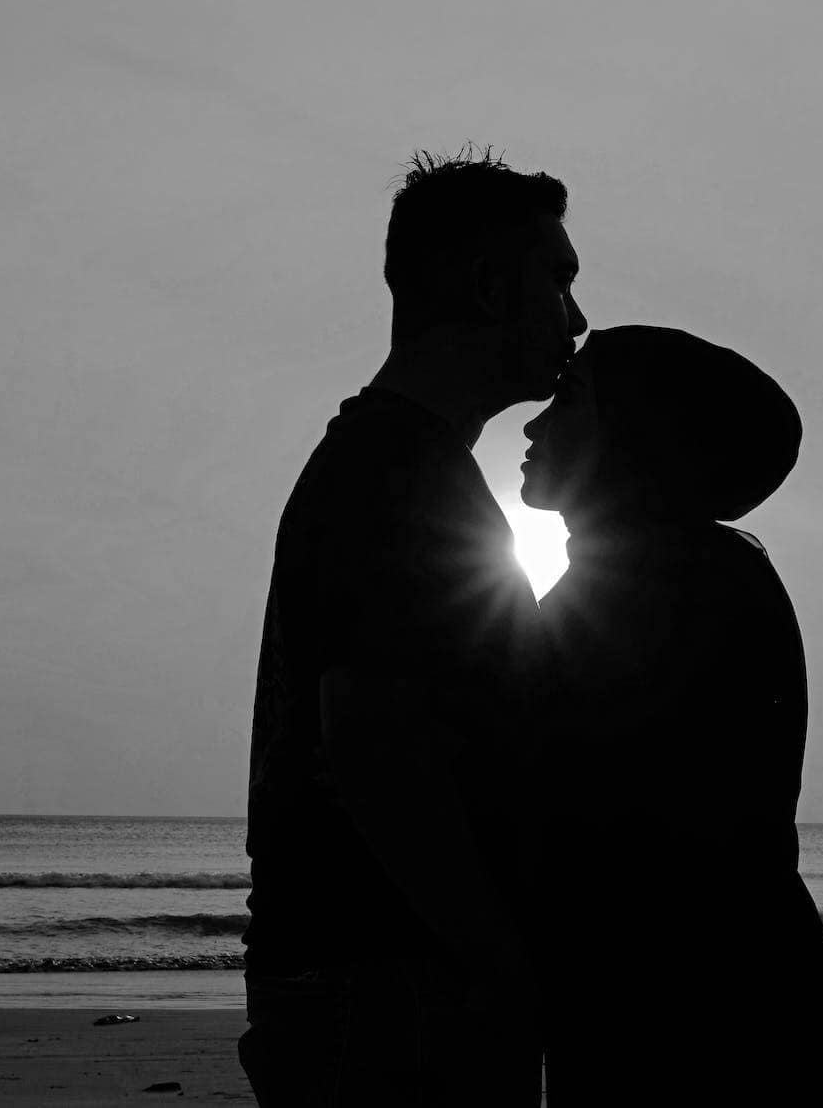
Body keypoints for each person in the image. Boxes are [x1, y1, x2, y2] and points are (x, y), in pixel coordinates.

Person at [240, 146, 586, 1106]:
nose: (577, 317)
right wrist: (495, 961)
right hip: (388, 985)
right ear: (484, 285)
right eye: (556, 281)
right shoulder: (397, 478)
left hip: (376, 975)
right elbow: (374, 744)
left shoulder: (402, 466)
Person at [520, 325, 823, 1106]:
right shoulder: (692, 575)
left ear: (636, 431)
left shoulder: (661, 591)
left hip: (694, 1020)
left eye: (568, 401)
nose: (534, 424)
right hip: (705, 1000)